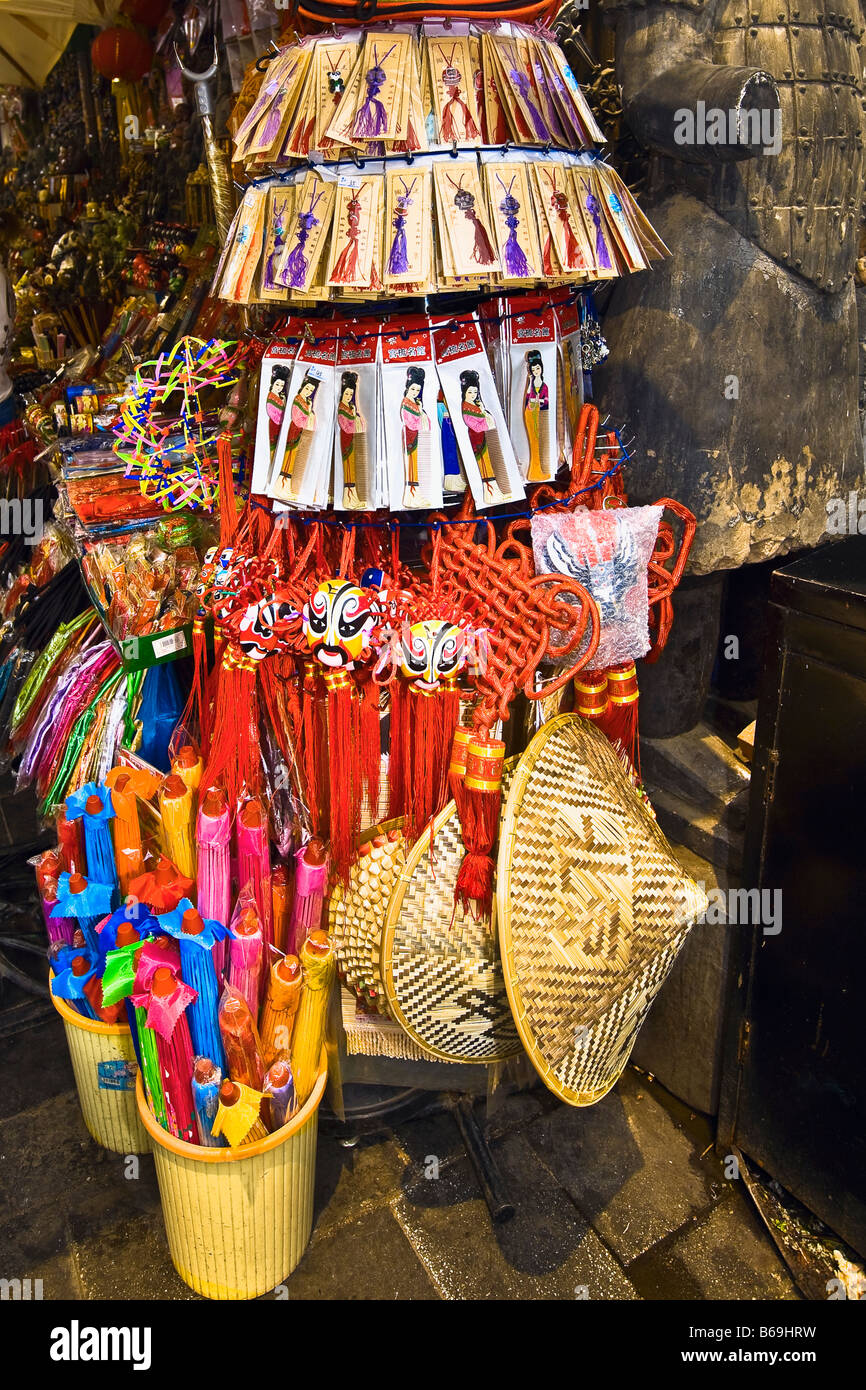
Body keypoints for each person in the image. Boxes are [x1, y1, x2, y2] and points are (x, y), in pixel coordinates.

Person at [337, 371, 366, 509]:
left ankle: (352, 497)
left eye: (350, 394)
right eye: (346, 393)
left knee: (352, 467)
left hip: (352, 439)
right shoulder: (342, 408)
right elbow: (347, 426)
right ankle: (349, 498)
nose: (348, 396)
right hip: (347, 440)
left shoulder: (350, 407)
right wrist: (354, 416)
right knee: (348, 467)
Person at [523, 350, 549, 482]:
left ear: (541, 368)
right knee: (534, 442)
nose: (536, 370)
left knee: (540, 443)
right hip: (531, 413)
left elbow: (546, 401)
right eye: (533, 369)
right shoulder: (532, 384)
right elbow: (528, 398)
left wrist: (539, 400)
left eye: (538, 368)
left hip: (540, 414)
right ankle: (535, 471)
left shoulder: (544, 386)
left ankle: (538, 471)